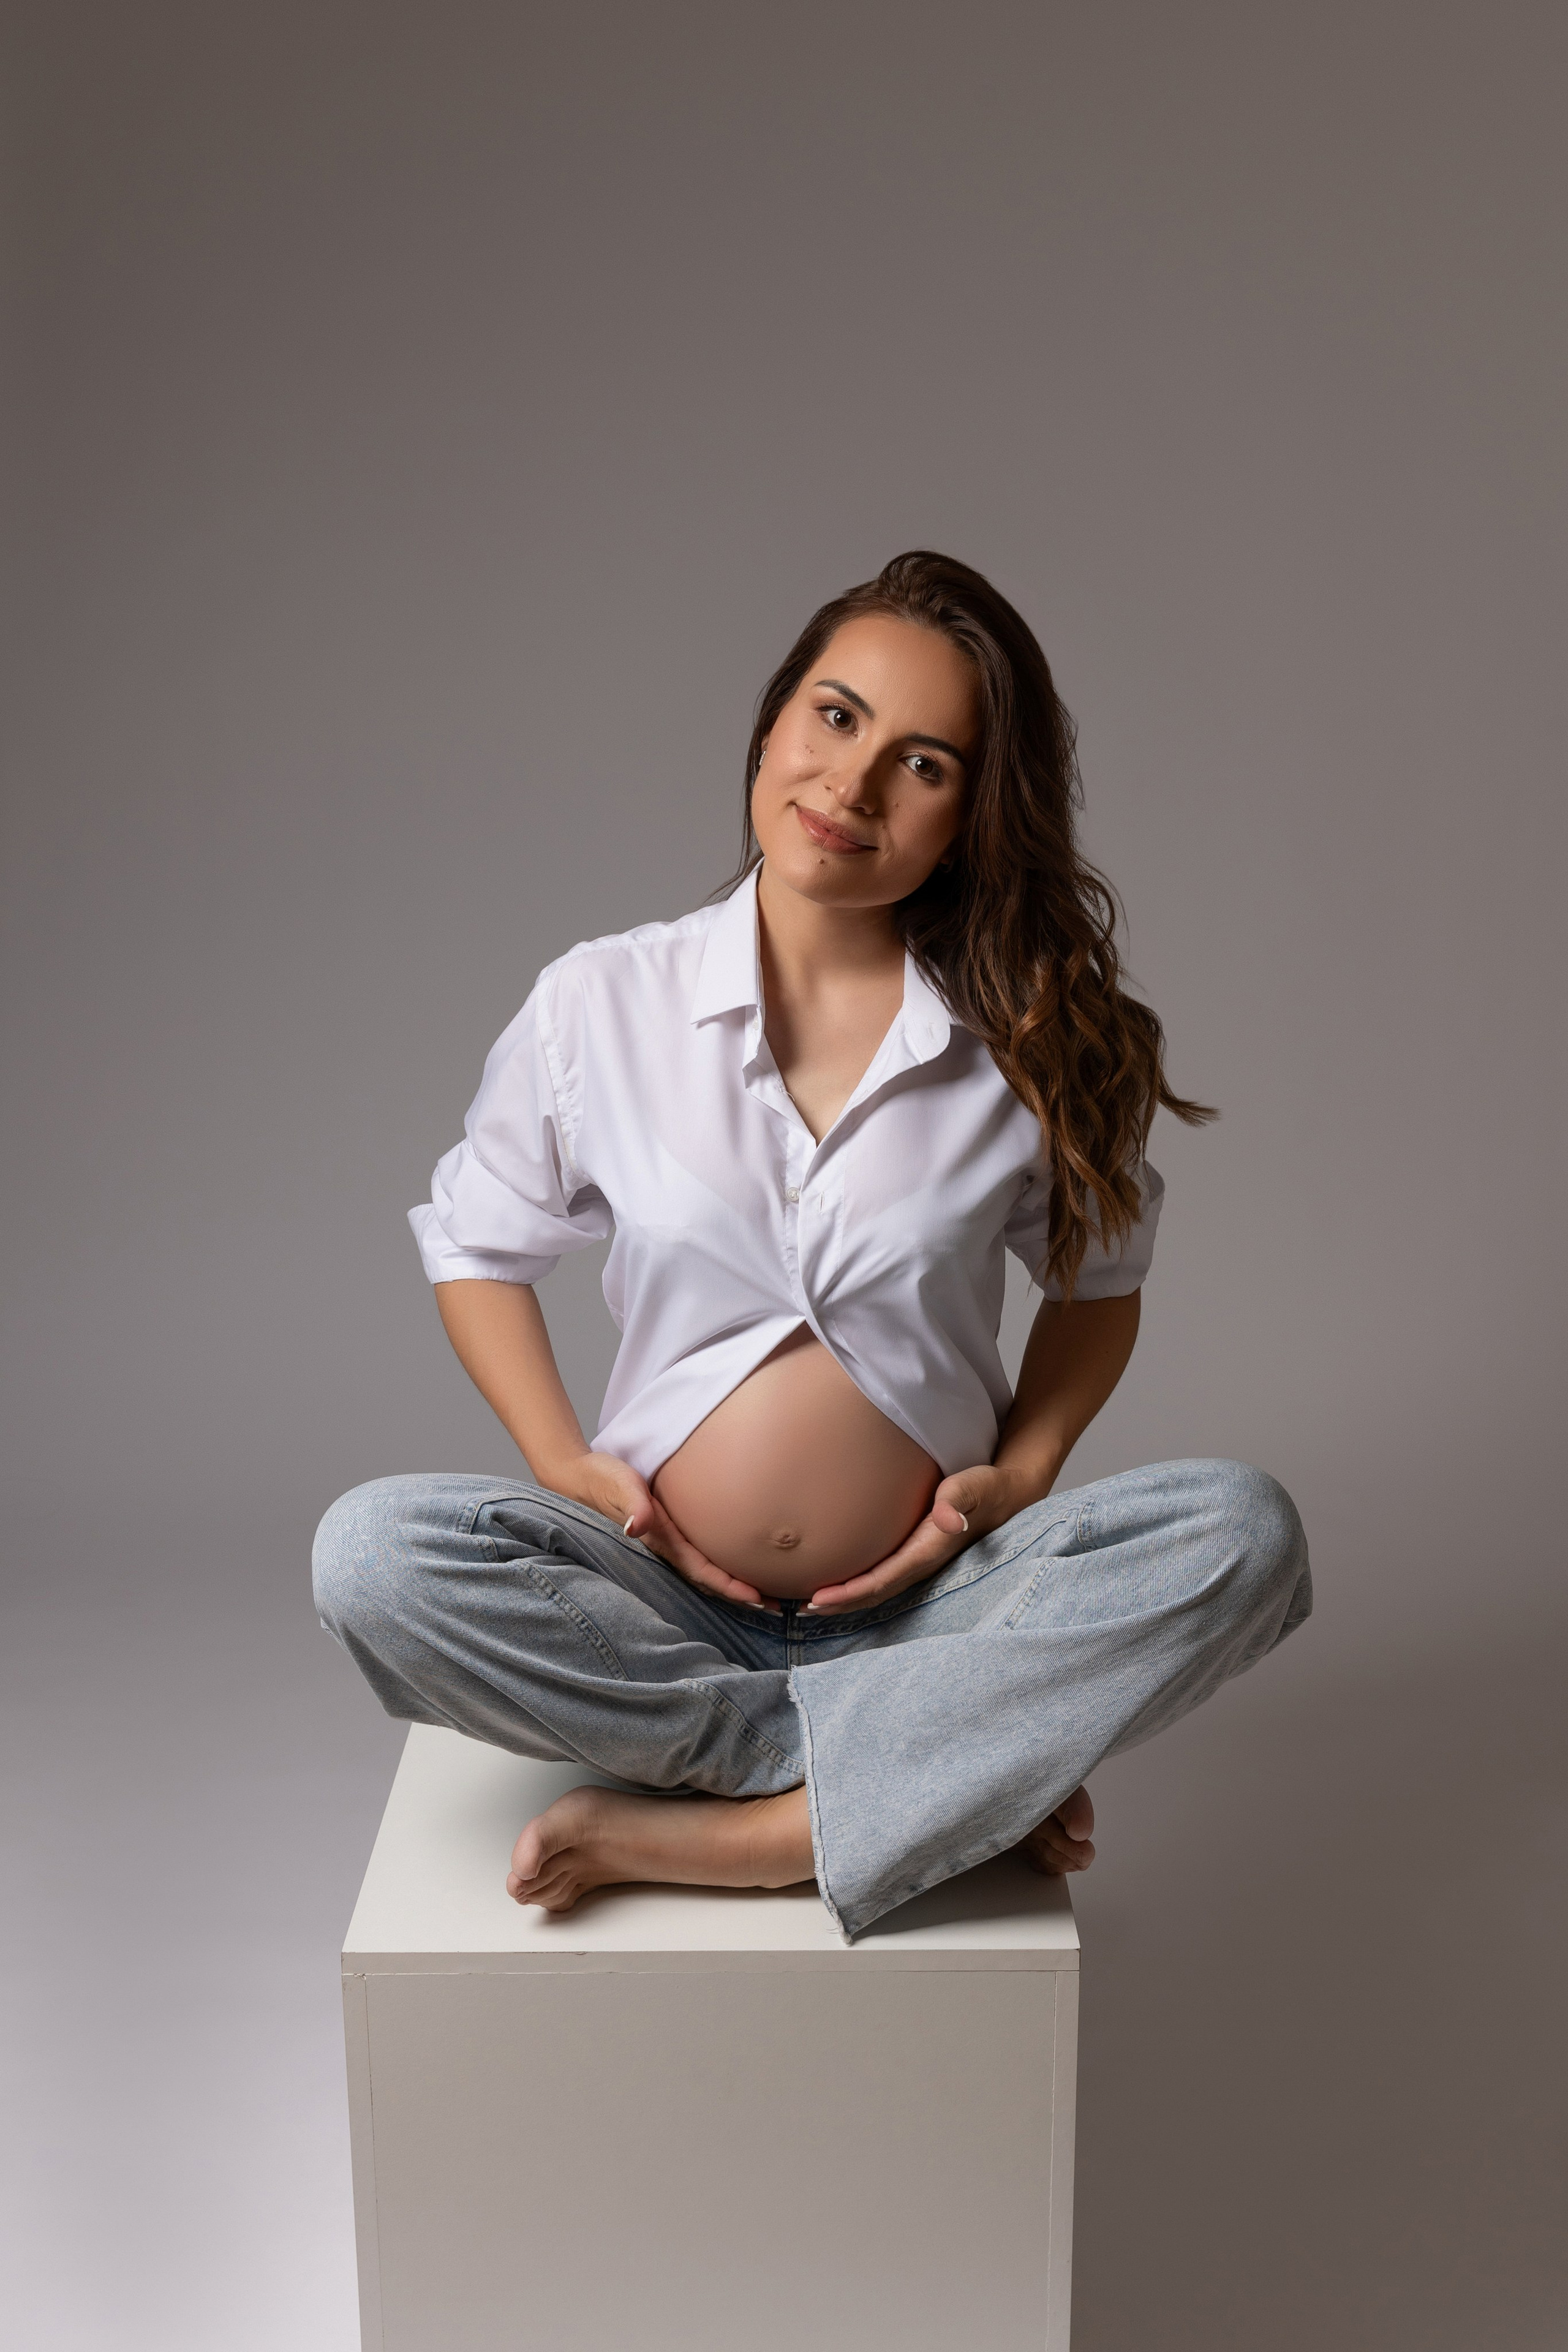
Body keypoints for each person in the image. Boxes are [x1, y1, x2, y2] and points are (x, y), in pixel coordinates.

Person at [312, 550, 1310, 1940]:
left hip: (937, 1603)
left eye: (923, 765)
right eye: (834, 719)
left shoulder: (1018, 1042)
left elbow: (1099, 1284)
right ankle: (900, 1773)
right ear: (773, 721)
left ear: (968, 817)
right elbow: (476, 1244)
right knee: (371, 1558)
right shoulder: (598, 1003)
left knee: (1241, 1535)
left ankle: (758, 1831)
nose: (849, 788)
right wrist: (558, 1460)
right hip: (662, 1606)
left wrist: (1017, 1477)